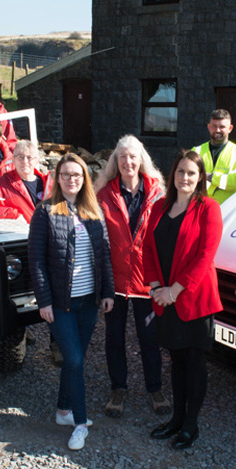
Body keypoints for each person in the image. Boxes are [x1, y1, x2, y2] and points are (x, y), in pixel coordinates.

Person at [28, 153, 114, 451]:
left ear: (84, 178)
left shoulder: (94, 210)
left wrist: (108, 292)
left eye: (77, 174)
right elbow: (36, 261)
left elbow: (104, 255)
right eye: (66, 174)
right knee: (74, 359)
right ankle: (79, 422)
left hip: (89, 302)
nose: (71, 179)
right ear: (57, 178)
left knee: (75, 361)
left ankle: (63, 410)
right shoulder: (45, 211)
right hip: (61, 304)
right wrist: (44, 301)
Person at [143, 150, 223, 450]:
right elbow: (147, 250)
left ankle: (191, 425)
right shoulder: (159, 209)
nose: (185, 177)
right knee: (175, 361)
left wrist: (174, 291)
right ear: (172, 174)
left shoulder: (209, 208)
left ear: (200, 177)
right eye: (180, 172)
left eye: (191, 173)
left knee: (194, 362)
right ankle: (176, 419)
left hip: (194, 300)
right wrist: (155, 288)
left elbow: (205, 257)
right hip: (164, 299)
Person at [95, 135, 170, 418]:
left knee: (149, 338)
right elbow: (100, 243)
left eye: (133, 156)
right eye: (122, 156)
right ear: (116, 161)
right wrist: (102, 285)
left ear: (142, 160)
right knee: (114, 338)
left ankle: (154, 388)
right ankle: (118, 388)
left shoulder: (159, 195)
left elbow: (164, 240)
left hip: (146, 282)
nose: (128, 161)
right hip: (115, 282)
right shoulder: (104, 195)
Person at [0, 139, 50, 221]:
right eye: (20, 157)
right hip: (22, 232)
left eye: (29, 157)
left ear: (37, 160)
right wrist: (13, 214)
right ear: (13, 160)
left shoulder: (49, 184)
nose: (25, 161)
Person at [192, 109, 236, 204]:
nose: (217, 130)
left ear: (230, 128)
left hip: (225, 209)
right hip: (199, 207)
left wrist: (209, 177)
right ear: (209, 127)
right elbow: (189, 179)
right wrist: (222, 182)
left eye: (222, 127)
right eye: (214, 126)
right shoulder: (196, 151)